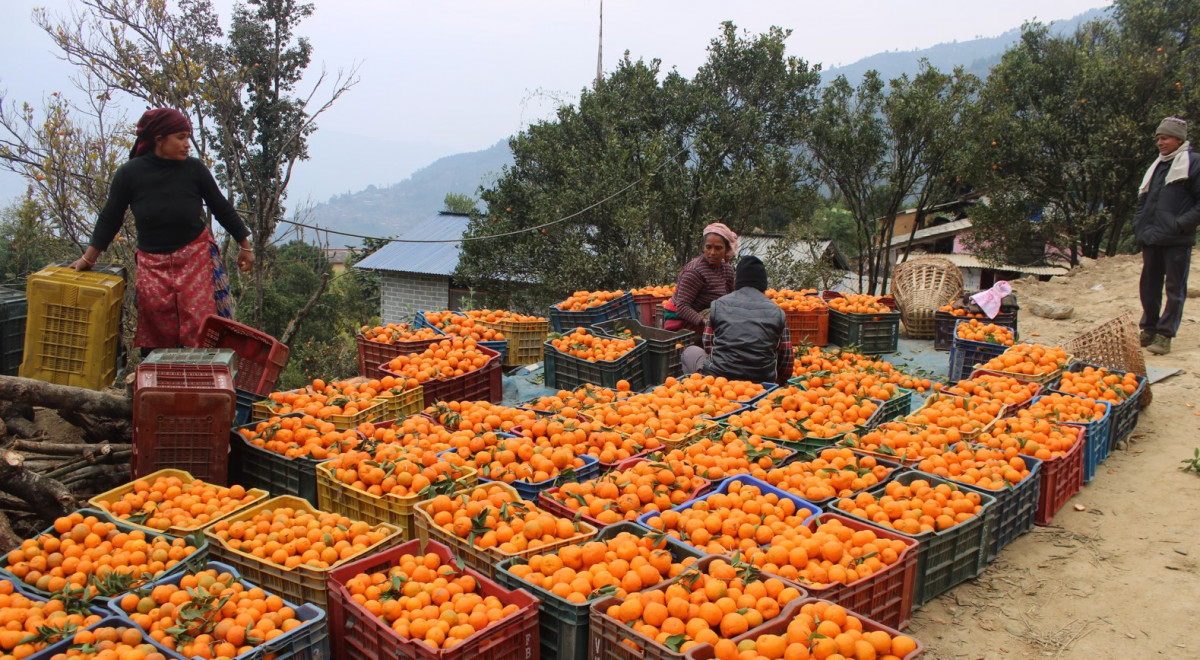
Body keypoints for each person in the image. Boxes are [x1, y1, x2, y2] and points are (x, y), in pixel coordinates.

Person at [72, 108, 254, 353]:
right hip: (152, 264)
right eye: (180, 137)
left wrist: (245, 245)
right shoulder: (130, 174)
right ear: (159, 140)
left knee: (203, 330)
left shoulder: (194, 170)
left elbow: (221, 207)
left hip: (195, 259)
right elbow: (110, 217)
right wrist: (88, 258)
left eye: (188, 137)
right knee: (157, 331)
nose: (187, 144)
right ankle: (160, 385)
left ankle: (204, 383)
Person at [1132, 116, 1200, 356]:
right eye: (1158, 138)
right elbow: (1144, 198)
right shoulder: (1158, 165)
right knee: (1148, 286)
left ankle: (1165, 335)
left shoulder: (1193, 163)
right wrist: (1139, 224)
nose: (1160, 143)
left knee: (1174, 288)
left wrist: (1180, 224)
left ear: (1179, 139)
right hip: (1151, 236)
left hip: (1176, 239)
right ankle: (1148, 328)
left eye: (1165, 138)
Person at [681, 255, 792, 386]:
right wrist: (779, 381)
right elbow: (786, 357)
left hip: (721, 379)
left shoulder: (719, 305)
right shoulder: (777, 312)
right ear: (763, 285)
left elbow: (708, 343)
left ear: (737, 281)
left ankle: (700, 390)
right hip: (761, 382)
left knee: (690, 352)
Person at [663, 223, 737, 337]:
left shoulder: (727, 270)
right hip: (682, 323)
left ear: (726, 249)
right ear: (704, 247)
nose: (712, 252)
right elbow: (682, 308)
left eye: (718, 248)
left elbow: (732, 298)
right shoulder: (695, 271)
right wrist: (705, 322)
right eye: (708, 247)